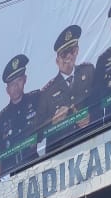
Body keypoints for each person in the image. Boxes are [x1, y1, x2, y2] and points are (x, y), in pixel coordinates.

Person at [38, 25, 96, 155]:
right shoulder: (47, 92)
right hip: (63, 153)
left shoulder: (89, 72)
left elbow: (102, 100)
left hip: (92, 142)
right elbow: (36, 134)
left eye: (72, 51)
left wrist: (91, 116)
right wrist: (53, 122)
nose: (69, 57)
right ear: (57, 60)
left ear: (77, 51)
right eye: (64, 54)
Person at [0, 53, 41, 178]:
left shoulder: (36, 99)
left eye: (19, 80)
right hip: (10, 175)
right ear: (7, 90)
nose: (15, 87)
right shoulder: (0, 118)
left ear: (25, 80)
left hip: (33, 167)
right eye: (12, 84)